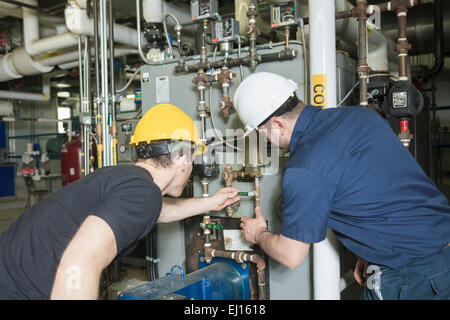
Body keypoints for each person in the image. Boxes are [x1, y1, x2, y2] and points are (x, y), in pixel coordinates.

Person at [235, 72, 450, 300]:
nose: (269, 143)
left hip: (415, 279)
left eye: (265, 136)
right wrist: (370, 251)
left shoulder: (304, 168)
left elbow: (291, 255)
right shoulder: (360, 116)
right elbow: (381, 186)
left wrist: (258, 234)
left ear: (278, 124)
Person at [0, 103, 240, 300]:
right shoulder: (142, 194)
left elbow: (158, 210)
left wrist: (210, 203)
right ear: (180, 157)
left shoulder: (127, 181)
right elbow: (78, 266)